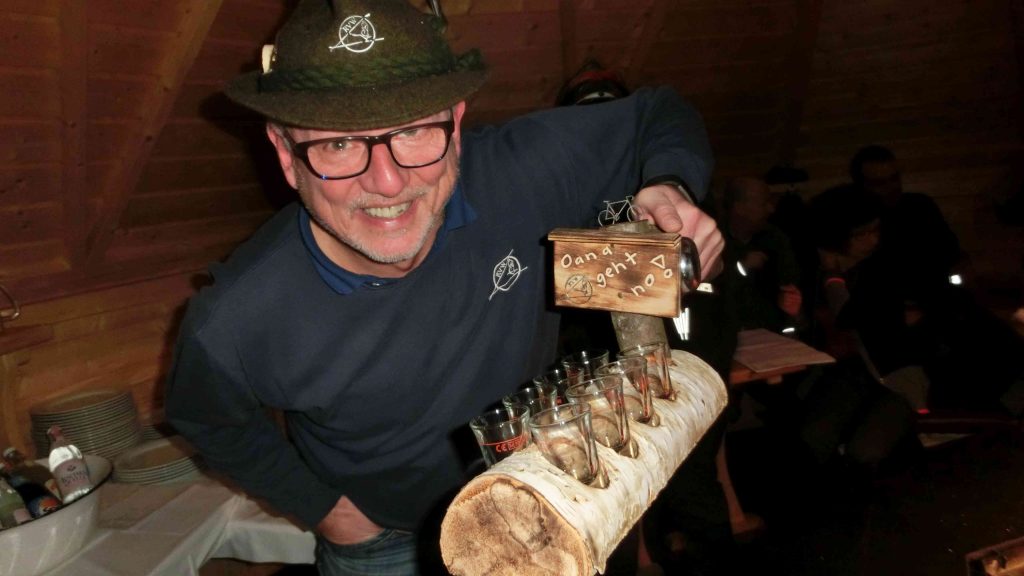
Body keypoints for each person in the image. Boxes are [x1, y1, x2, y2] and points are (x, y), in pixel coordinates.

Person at [163, 1, 724, 575]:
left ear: (456, 126)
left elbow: (658, 114)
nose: (387, 183)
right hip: (387, 547)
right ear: (287, 156)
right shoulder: (239, 317)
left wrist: (671, 187)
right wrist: (328, 512)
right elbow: (207, 419)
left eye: (412, 131)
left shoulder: (522, 171)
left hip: (543, 510)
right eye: (339, 145)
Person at [721, 176, 803, 333]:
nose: (771, 209)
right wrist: (741, 267)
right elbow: (709, 289)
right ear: (739, 208)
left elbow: (790, 282)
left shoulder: (775, 239)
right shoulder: (715, 239)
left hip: (768, 332)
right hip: (724, 332)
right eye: (763, 203)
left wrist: (789, 302)